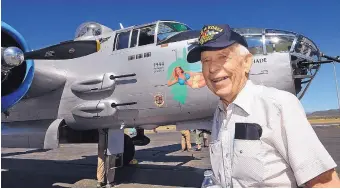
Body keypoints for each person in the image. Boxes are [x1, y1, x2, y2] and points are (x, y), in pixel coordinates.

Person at [186, 24, 340, 188]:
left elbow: (324, 182)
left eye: (223, 57)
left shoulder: (278, 105)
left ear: (246, 62)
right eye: (205, 61)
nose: (212, 68)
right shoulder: (220, 114)